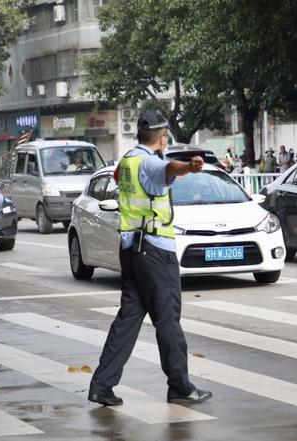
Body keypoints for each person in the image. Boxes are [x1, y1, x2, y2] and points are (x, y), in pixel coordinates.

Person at [88, 111, 212, 407]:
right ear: (162, 136)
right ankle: (180, 387)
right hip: (155, 251)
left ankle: (101, 386)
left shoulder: (128, 160)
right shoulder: (152, 162)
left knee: (128, 319)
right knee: (167, 319)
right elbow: (168, 167)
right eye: (166, 134)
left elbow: (121, 177)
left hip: (131, 250)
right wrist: (191, 167)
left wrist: (175, 167)